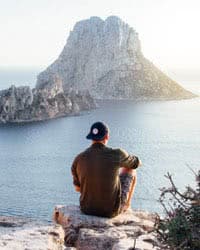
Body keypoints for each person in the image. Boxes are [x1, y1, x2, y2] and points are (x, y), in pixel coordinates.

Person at [71, 121, 142, 218]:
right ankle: (126, 206)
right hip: (110, 211)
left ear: (91, 137)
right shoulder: (117, 154)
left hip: (86, 209)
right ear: (107, 137)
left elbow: (78, 188)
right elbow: (136, 164)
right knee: (130, 170)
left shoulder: (78, 159)